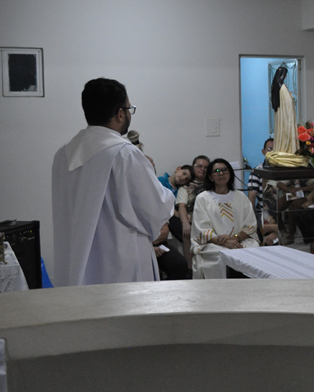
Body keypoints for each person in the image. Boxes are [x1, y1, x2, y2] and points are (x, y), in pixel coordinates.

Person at [52, 78, 174, 286]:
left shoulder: (63, 154)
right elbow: (156, 211)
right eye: (129, 109)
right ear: (120, 114)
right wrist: (152, 175)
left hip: (77, 264)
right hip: (121, 269)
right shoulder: (124, 154)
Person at [191, 158, 259, 279]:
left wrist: (235, 238)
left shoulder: (240, 196)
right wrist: (223, 241)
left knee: (252, 251)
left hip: (240, 240)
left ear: (230, 174)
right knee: (222, 256)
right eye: (216, 171)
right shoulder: (203, 198)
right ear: (211, 177)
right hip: (213, 243)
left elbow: (250, 225)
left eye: (224, 170)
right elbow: (201, 228)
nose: (221, 173)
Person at [176, 155, 210, 264]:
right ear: (193, 167)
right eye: (199, 166)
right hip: (194, 220)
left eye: (206, 167)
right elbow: (182, 206)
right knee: (186, 232)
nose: (202, 169)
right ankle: (190, 268)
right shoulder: (185, 187)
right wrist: (185, 223)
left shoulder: (213, 185)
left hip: (211, 220)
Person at [248, 137, 276, 230]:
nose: (272, 152)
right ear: (263, 152)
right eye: (269, 149)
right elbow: (252, 197)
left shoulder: (284, 169)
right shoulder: (257, 171)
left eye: (275, 149)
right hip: (263, 211)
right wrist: (252, 220)